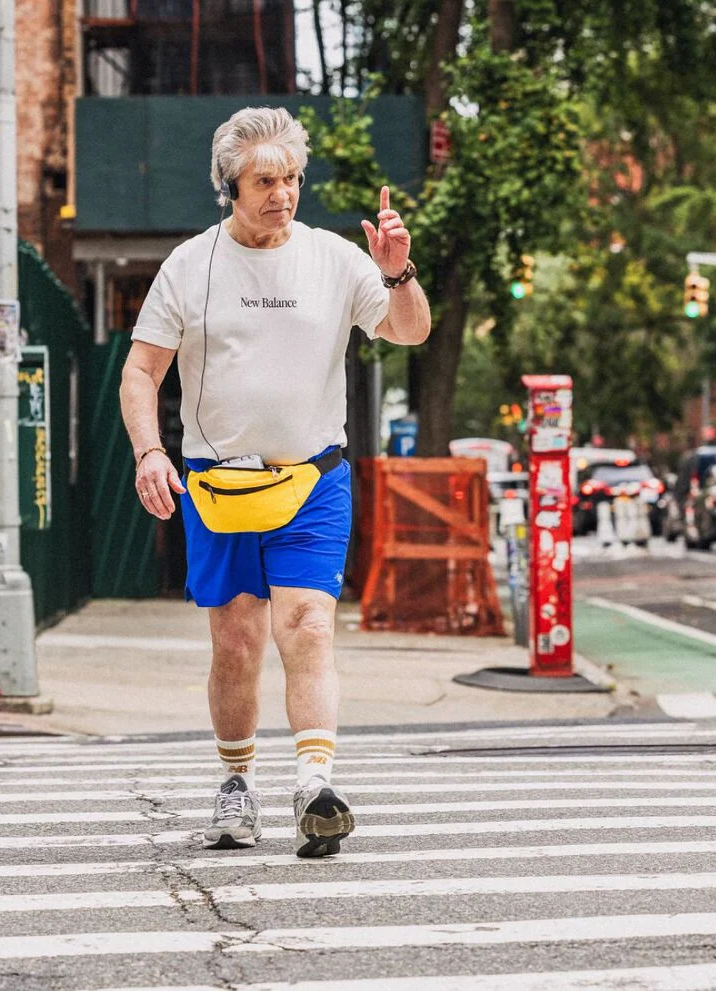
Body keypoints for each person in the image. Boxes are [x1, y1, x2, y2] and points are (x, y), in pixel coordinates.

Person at [120, 106, 430, 858]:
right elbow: (140, 370)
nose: (282, 193)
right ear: (228, 184)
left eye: (291, 178)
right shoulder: (190, 265)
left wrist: (397, 269)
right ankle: (236, 784)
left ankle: (314, 783)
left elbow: (409, 329)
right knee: (235, 640)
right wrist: (148, 452)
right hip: (218, 485)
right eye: (265, 180)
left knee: (309, 624)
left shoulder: (332, 257)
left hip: (313, 477)